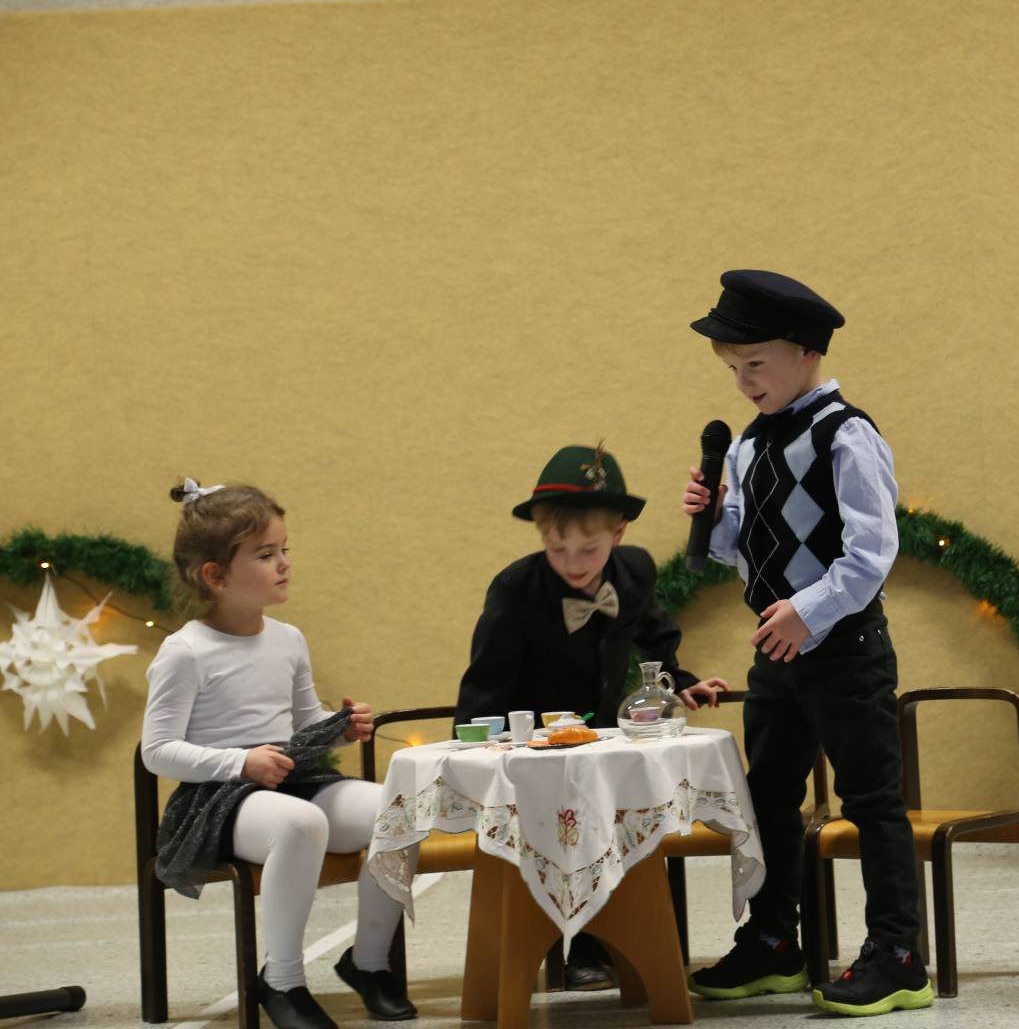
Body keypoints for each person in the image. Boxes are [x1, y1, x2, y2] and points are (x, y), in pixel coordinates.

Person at [680, 270, 932, 1016]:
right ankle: (773, 941)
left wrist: (810, 611)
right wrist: (717, 516)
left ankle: (898, 952)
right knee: (769, 797)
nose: (743, 383)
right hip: (776, 650)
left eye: (755, 364)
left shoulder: (846, 433)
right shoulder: (751, 444)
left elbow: (871, 551)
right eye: (733, 370)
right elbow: (746, 548)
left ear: (805, 351)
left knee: (871, 799)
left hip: (844, 646)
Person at [140, 480, 414, 1029]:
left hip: (288, 779)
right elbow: (158, 751)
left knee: (399, 806)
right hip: (218, 799)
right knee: (300, 824)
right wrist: (240, 762)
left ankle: (368, 962)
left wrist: (340, 729)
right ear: (215, 575)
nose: (284, 564)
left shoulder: (288, 639)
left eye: (285, 550)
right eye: (266, 555)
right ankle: (282, 980)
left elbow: (302, 722)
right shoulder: (185, 651)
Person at [453, 443, 726, 989]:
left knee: (623, 823)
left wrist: (682, 680)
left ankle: (637, 943)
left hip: (598, 737)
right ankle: (573, 948)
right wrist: (486, 756)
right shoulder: (515, 590)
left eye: (589, 549)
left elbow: (653, 635)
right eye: (558, 550)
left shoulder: (635, 571)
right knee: (562, 832)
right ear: (542, 539)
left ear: (619, 534)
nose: (574, 563)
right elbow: (485, 681)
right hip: (527, 749)